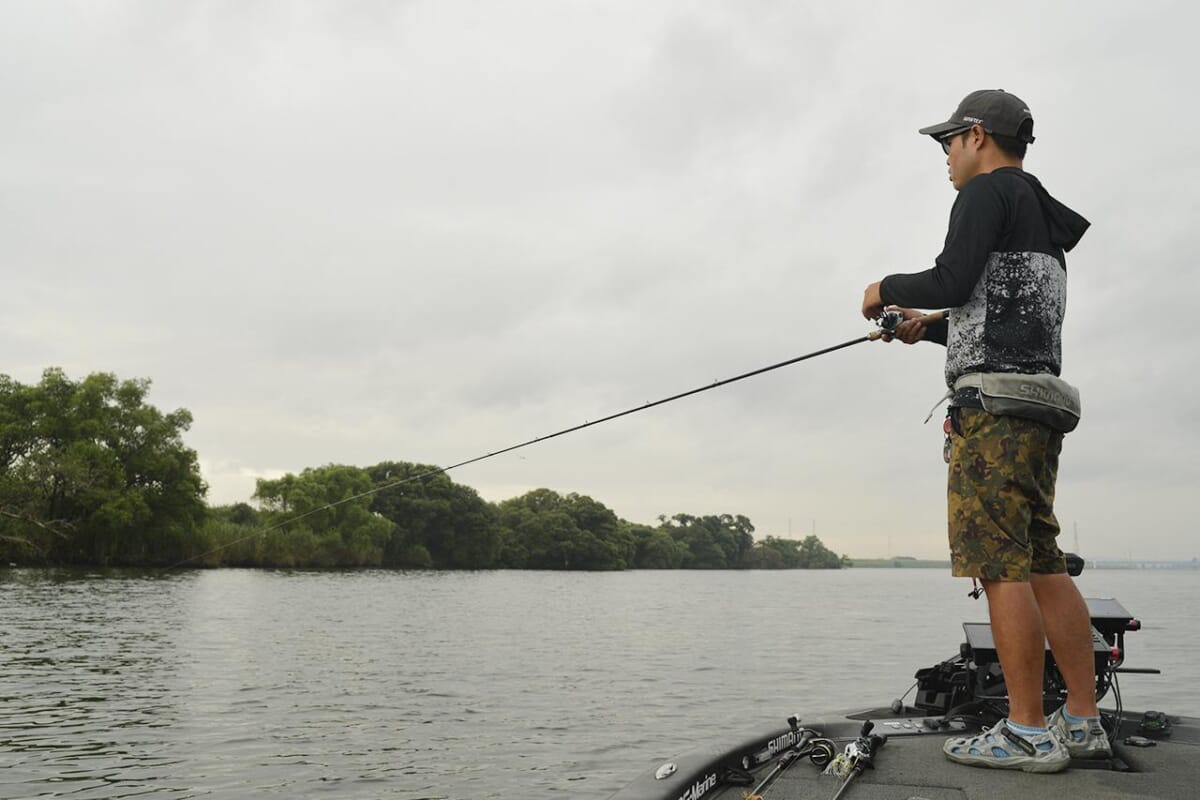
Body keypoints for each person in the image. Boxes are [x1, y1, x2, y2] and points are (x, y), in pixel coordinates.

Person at [860, 89, 1110, 773]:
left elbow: (951, 276)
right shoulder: (1038, 212)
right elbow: (997, 309)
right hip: (1038, 404)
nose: (944, 156)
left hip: (991, 413)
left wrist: (882, 289)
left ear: (977, 135)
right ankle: (1082, 719)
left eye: (948, 142)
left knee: (999, 566)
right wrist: (931, 329)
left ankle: (1026, 731)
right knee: (1042, 562)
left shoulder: (983, 193)